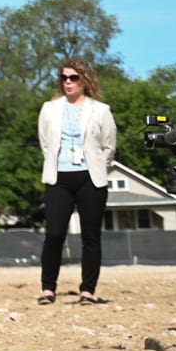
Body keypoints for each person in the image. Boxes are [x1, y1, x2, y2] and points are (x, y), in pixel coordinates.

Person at [35, 60, 118, 304]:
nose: (68, 82)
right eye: (64, 78)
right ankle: (48, 289)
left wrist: (98, 166)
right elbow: (45, 144)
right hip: (59, 177)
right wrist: (58, 163)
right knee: (54, 233)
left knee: (90, 236)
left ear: (85, 80)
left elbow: (109, 146)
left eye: (74, 78)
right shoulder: (49, 109)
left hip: (90, 178)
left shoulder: (101, 110)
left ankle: (87, 291)